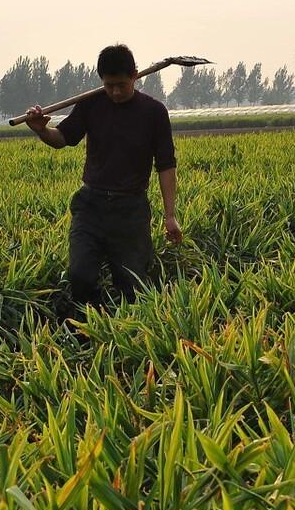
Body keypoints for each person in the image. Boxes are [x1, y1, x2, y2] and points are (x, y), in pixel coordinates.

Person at [24, 43, 181, 312]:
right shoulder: (91, 104)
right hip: (91, 206)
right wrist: (41, 130)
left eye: (121, 84)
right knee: (80, 276)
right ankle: (92, 328)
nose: (115, 92)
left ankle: (128, 334)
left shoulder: (153, 112)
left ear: (135, 75)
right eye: (109, 85)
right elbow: (62, 138)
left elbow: (166, 165)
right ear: (101, 80)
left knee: (132, 285)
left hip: (130, 210)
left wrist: (170, 215)